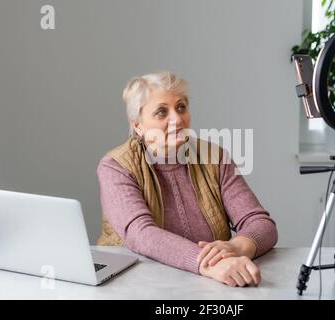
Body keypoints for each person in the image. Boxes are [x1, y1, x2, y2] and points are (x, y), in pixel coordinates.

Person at [96, 71, 278, 287]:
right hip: (136, 285)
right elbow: (141, 234)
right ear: (138, 125)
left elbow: (260, 223)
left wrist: (236, 247)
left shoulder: (215, 157)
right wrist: (209, 264)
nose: (177, 119)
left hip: (208, 286)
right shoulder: (116, 166)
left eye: (181, 107)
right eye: (161, 112)